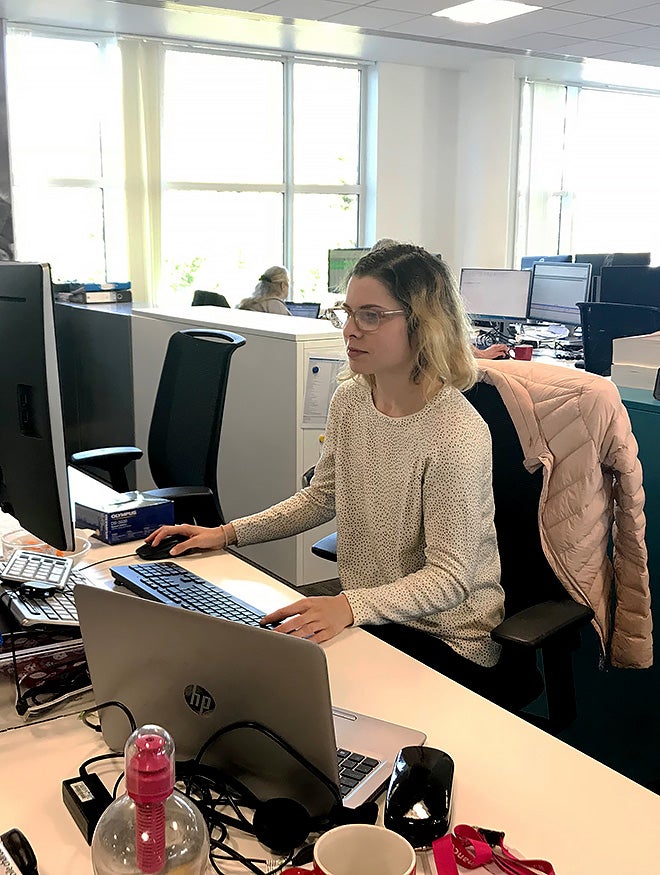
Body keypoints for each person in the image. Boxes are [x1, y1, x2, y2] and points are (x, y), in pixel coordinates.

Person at [148, 244, 505, 690]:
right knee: (241, 665)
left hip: (445, 640)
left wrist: (348, 607)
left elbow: (450, 581)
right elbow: (323, 497)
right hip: (369, 618)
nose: (351, 330)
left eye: (371, 315)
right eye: (348, 312)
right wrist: (225, 534)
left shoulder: (456, 435)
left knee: (286, 690)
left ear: (423, 324)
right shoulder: (352, 400)